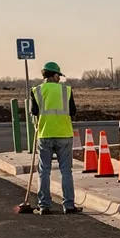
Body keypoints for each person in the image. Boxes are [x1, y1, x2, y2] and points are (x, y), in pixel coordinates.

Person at [22, 61, 77, 214]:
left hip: (44, 134)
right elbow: (73, 111)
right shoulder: (66, 90)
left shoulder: (36, 90)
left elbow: (33, 111)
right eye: (58, 75)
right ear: (54, 75)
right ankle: (69, 205)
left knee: (44, 171)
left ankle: (44, 205)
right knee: (66, 171)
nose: (59, 78)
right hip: (64, 134)